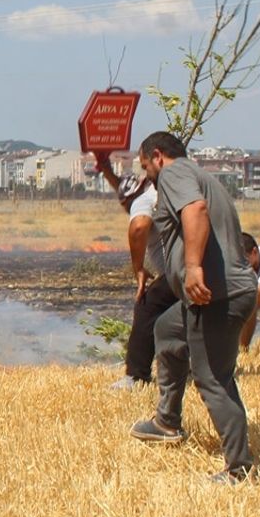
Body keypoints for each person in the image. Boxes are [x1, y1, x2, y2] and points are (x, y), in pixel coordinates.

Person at [127, 132, 258, 484]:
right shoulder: (199, 175)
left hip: (215, 296)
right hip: (221, 293)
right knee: (167, 330)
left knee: (212, 378)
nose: (147, 175)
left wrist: (193, 267)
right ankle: (166, 422)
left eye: (146, 166)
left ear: (158, 156)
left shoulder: (174, 173)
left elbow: (195, 211)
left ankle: (240, 469)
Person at [94, 153, 178, 390]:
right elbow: (122, 188)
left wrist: (138, 269)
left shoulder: (141, 201)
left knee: (146, 307)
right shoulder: (156, 192)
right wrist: (106, 168)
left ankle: (136, 376)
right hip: (203, 267)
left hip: (177, 270)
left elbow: (139, 227)